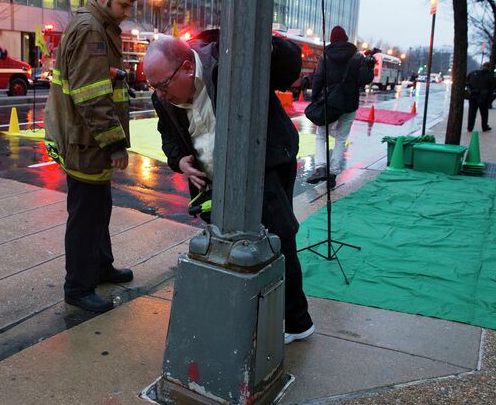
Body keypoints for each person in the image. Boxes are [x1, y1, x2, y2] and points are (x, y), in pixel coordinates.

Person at [144, 32, 316, 345]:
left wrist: (270, 45)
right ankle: (248, 310)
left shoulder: (229, 62)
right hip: (213, 177)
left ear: (186, 68)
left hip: (266, 161)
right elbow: (167, 134)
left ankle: (296, 321)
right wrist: (179, 159)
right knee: (229, 244)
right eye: (153, 87)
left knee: (278, 238)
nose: (159, 93)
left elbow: (287, 71)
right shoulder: (163, 97)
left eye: (163, 85)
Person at [43, 0, 140, 313]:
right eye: (122, 5)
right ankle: (78, 287)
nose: (126, 13)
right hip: (86, 140)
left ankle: (100, 267)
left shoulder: (99, 26)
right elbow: (91, 96)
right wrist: (114, 143)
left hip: (87, 139)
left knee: (98, 208)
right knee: (86, 215)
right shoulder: (91, 31)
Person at [307, 26, 374, 187]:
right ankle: (333, 173)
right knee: (341, 138)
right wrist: (369, 66)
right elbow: (364, 80)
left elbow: (318, 79)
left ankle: (321, 167)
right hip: (349, 103)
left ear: (332, 39)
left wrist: (315, 98)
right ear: (345, 39)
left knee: (321, 135)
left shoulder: (325, 56)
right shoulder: (357, 57)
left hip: (330, 103)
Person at [465, 62, 496, 132]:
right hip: (484, 97)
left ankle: (470, 127)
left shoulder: (473, 73)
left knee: (472, 113)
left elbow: (467, 83)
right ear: (489, 68)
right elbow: (494, 86)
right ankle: (484, 126)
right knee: (484, 113)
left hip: (473, 96)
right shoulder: (489, 76)